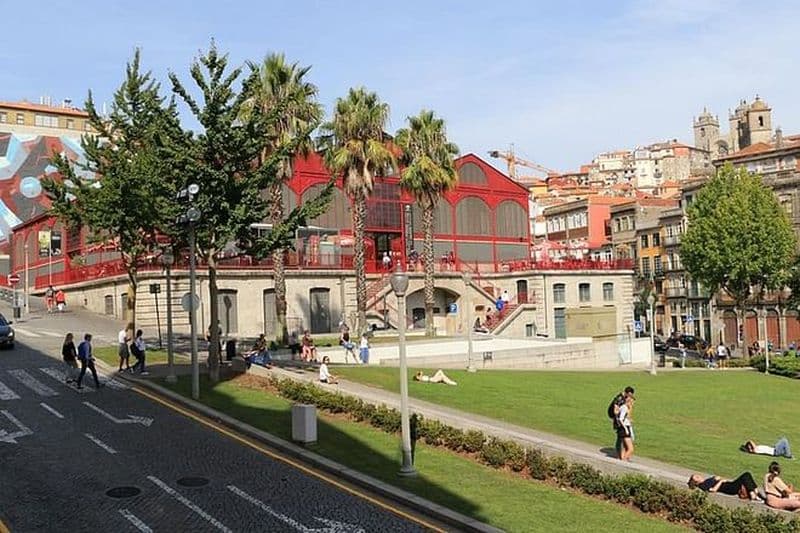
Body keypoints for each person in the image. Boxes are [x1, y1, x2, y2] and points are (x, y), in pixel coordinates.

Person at [688, 472, 760, 501]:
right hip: (729, 488)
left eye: (697, 475)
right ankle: (753, 493)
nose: (699, 476)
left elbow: (715, 480)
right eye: (697, 477)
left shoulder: (706, 481)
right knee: (745, 476)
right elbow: (713, 490)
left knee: (747, 476)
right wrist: (721, 481)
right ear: (696, 482)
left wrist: (716, 478)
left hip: (729, 485)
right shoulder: (703, 485)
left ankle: (755, 492)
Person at [608, 386, 635, 459]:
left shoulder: (625, 403)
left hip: (621, 420)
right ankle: (621, 456)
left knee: (621, 438)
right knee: (621, 438)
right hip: (618, 419)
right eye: (629, 395)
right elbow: (615, 411)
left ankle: (622, 456)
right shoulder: (619, 399)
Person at [617, 394, 635, 461]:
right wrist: (625, 429)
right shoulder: (624, 408)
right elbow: (621, 419)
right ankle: (623, 461)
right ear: (629, 401)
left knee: (624, 447)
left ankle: (622, 459)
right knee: (630, 449)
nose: (633, 404)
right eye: (632, 402)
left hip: (624, 428)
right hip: (625, 429)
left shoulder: (624, 407)